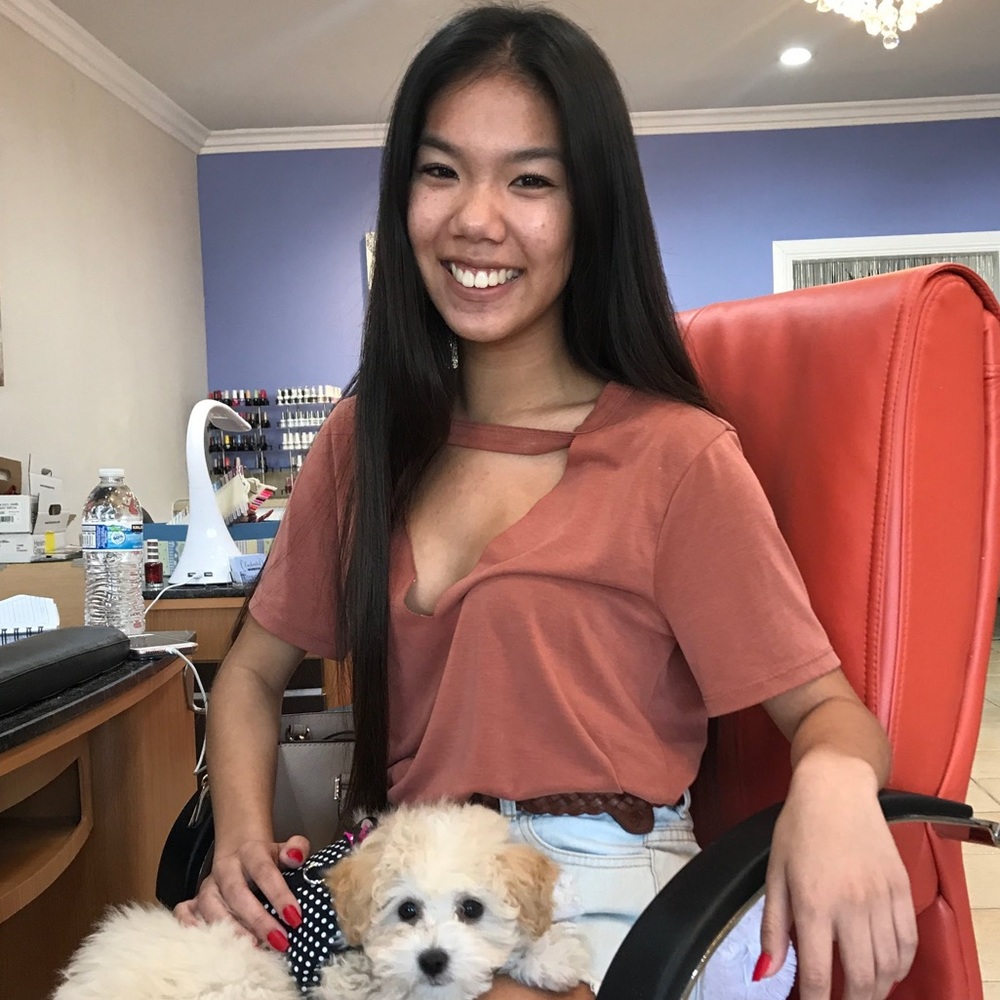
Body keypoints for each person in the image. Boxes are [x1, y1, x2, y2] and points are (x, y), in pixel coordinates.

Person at [175, 5, 918, 999]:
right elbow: (249, 677)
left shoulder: (674, 458)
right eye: (440, 171)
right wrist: (242, 849)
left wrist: (831, 782)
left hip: (603, 895)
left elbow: (828, 710)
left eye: (530, 179)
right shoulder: (366, 441)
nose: (475, 217)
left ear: (590, 209)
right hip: (418, 884)